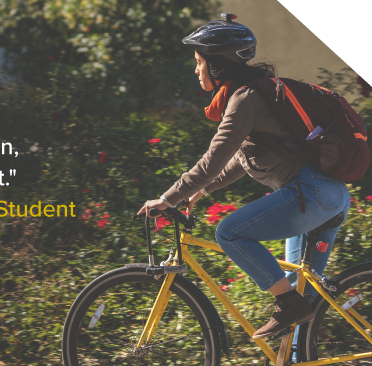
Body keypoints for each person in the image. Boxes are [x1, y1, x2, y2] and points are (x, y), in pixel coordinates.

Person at [136, 14, 351, 340]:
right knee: (298, 306)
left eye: (199, 62)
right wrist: (202, 191)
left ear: (219, 64)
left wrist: (168, 198)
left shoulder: (245, 99)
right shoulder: (256, 94)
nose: (196, 69)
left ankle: (288, 303)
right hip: (329, 196)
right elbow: (239, 161)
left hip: (309, 194)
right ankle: (293, 337)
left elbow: (216, 156)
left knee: (230, 233)